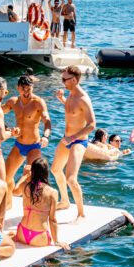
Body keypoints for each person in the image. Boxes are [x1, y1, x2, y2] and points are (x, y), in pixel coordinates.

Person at [51, 65, 96, 218]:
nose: (62, 81)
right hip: (66, 139)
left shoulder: (84, 99)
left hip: (78, 142)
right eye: (62, 78)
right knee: (55, 170)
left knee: (71, 179)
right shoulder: (70, 94)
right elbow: (73, 111)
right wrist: (62, 99)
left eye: (65, 79)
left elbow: (92, 125)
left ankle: (81, 213)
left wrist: (73, 138)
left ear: (75, 80)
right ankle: (64, 201)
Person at [2, 75, 52, 204]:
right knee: (6, 177)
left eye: (29, 89)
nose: (27, 92)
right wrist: (6, 128)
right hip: (19, 144)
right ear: (18, 88)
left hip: (34, 146)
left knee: (33, 180)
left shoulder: (38, 102)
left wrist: (46, 136)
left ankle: (32, 206)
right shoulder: (13, 102)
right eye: (23, 88)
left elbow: (47, 120)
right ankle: (8, 204)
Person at [12, 158, 70, 249]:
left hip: (22, 233)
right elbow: (53, 219)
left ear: (32, 172)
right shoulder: (52, 192)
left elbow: (14, 191)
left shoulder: (25, 186)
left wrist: (24, 176)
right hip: (39, 237)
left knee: (10, 234)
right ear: (46, 172)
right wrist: (57, 241)